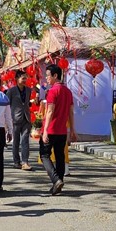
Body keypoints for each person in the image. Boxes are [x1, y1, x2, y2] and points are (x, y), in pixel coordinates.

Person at [40, 64, 77, 195]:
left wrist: (45, 130)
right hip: (62, 130)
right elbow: (71, 112)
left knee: (44, 155)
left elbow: (49, 111)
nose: (46, 78)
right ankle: (59, 182)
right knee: (60, 156)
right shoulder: (68, 91)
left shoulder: (52, 91)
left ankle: (56, 180)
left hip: (51, 129)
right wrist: (72, 129)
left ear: (55, 76)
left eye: (48, 76)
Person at [6, 69, 33, 170]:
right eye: (22, 78)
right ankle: (16, 162)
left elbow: (27, 103)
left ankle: (25, 162)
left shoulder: (29, 90)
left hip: (26, 118)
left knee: (25, 140)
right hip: (15, 119)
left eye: (26, 77)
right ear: (17, 78)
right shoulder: (11, 91)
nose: (25, 79)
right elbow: (6, 105)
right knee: (16, 141)